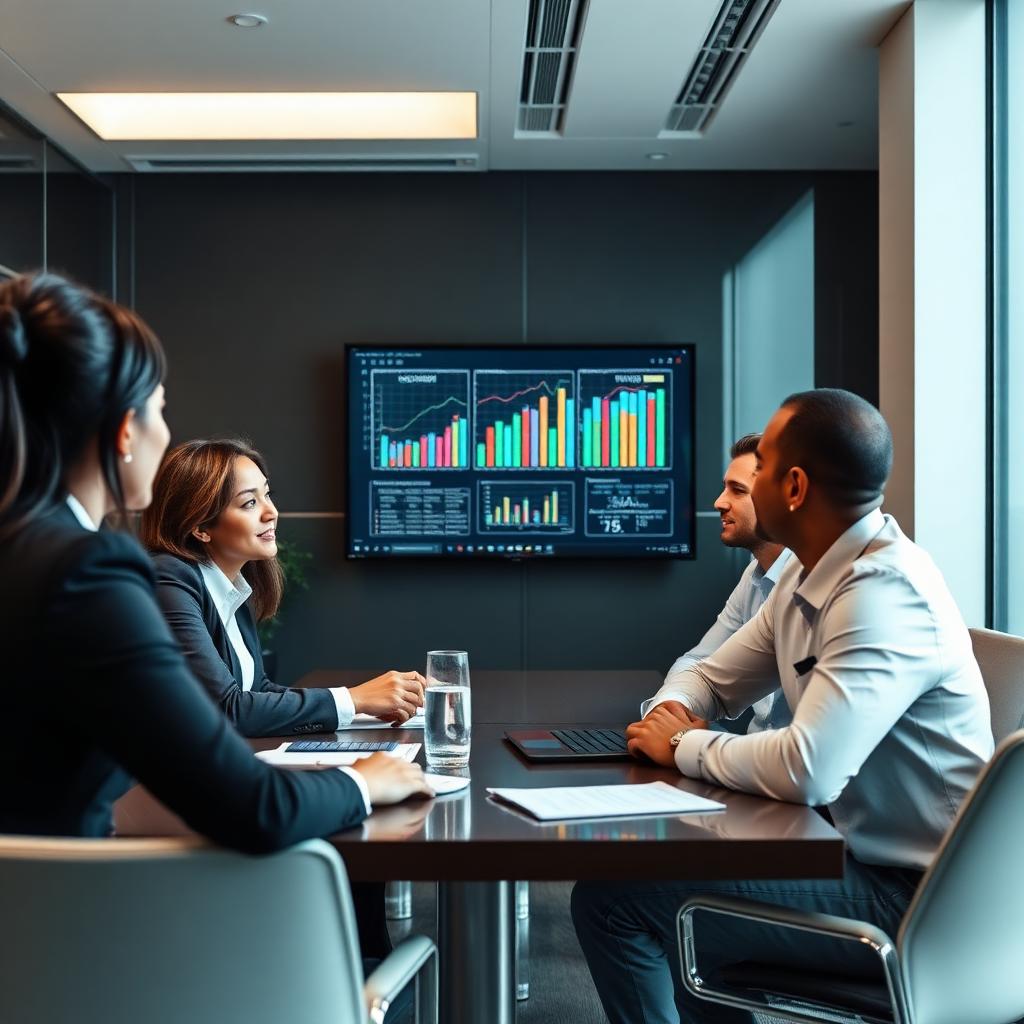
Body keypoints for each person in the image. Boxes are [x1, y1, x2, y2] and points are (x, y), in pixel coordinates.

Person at [572, 388, 994, 1024]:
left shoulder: (884, 592)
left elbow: (807, 768)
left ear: (793, 487)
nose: (740, 484)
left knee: (613, 898)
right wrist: (675, 710)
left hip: (919, 903)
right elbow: (713, 680)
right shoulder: (808, 572)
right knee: (672, 875)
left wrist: (682, 744)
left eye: (760, 466)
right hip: (856, 856)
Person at [0, 272, 433, 852]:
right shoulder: (87, 571)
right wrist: (362, 782)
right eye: (160, 408)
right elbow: (253, 808)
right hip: (71, 919)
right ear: (126, 431)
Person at [140, 438, 425, 738]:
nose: (271, 512)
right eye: (250, 503)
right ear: (200, 527)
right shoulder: (169, 579)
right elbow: (226, 710)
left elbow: (258, 691)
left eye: (267, 495)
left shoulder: (231, 586)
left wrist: (365, 707)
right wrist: (354, 700)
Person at [646, 433, 793, 734]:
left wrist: (683, 743)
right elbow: (700, 663)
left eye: (737, 490)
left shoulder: (820, 586)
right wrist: (669, 711)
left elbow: (805, 756)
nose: (718, 502)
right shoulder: (755, 577)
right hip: (752, 766)